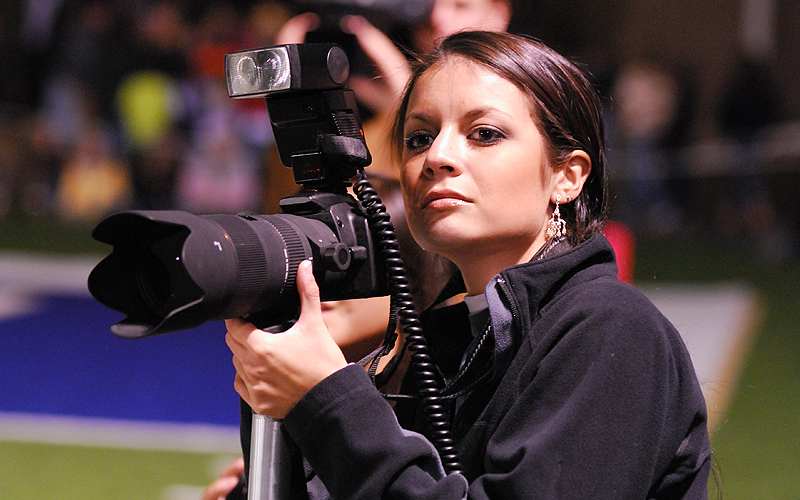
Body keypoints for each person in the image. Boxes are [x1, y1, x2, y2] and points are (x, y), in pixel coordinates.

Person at [222, 31, 712, 498]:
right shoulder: (447, 340)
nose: (437, 156)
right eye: (418, 138)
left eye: (484, 133)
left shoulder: (609, 328)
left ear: (568, 176)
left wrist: (330, 401)